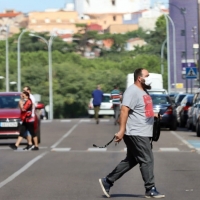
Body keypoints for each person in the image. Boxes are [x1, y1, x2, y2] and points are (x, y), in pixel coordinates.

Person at [99, 68, 165, 198]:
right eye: (147, 75)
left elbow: (142, 109)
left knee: (133, 159)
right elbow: (124, 111)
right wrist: (122, 130)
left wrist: (154, 114)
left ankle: (107, 181)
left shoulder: (143, 91)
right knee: (147, 159)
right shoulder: (132, 91)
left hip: (143, 131)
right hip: (136, 132)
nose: (149, 77)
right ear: (140, 78)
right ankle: (150, 188)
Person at [23, 86, 39, 150]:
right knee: (26, 131)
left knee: (31, 132)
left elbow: (31, 107)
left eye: (25, 90)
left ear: (29, 91)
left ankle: (35, 145)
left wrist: (31, 115)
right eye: (23, 90)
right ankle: (30, 144)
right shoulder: (26, 98)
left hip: (30, 117)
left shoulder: (31, 98)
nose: (23, 92)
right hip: (27, 117)